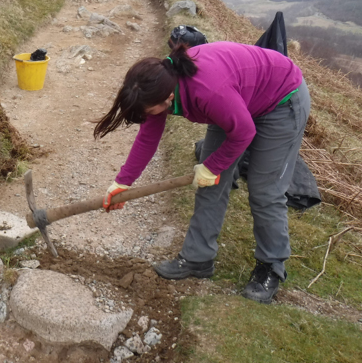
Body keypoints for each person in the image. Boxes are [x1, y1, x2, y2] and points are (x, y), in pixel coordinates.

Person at [94, 41, 310, 304]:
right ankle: (197, 259)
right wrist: (122, 182)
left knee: (265, 191)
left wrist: (213, 166)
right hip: (236, 101)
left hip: (281, 100)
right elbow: (148, 137)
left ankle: (271, 267)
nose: (145, 116)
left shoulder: (208, 92)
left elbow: (243, 132)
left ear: (168, 98)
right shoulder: (156, 84)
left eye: (147, 111)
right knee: (209, 186)